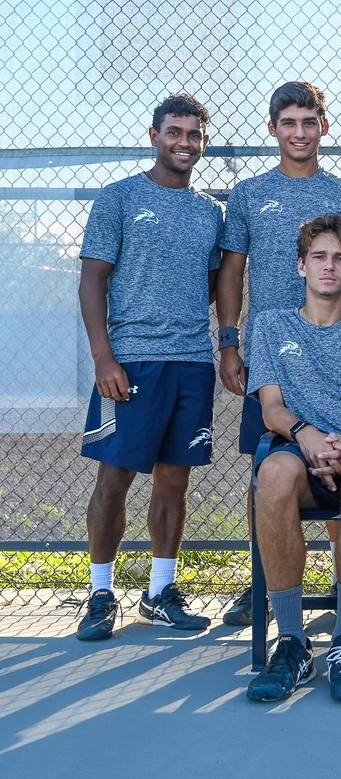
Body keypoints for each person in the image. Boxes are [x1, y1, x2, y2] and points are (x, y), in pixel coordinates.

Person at [76, 94, 223, 641]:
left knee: (174, 482)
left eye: (193, 134)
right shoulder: (117, 198)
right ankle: (99, 594)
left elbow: (210, 287)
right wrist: (103, 356)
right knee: (113, 480)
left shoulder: (211, 212)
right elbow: (93, 281)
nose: (183, 142)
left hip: (191, 362)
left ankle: (160, 593)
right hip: (131, 361)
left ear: (203, 142)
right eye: (174, 132)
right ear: (155, 135)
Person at [216, 81, 341, 627]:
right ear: (273, 128)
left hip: (336, 356)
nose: (299, 132)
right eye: (289, 123)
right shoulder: (251, 193)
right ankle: (263, 584)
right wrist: (231, 341)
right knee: (270, 472)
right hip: (275, 357)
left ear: (323, 126)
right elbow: (233, 269)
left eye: (309, 122)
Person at [244, 214, 341, 704]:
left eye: (340, 260)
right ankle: (291, 642)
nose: (330, 267)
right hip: (301, 453)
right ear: (301, 266)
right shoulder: (270, 325)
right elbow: (271, 407)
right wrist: (306, 437)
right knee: (273, 471)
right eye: (320, 258)